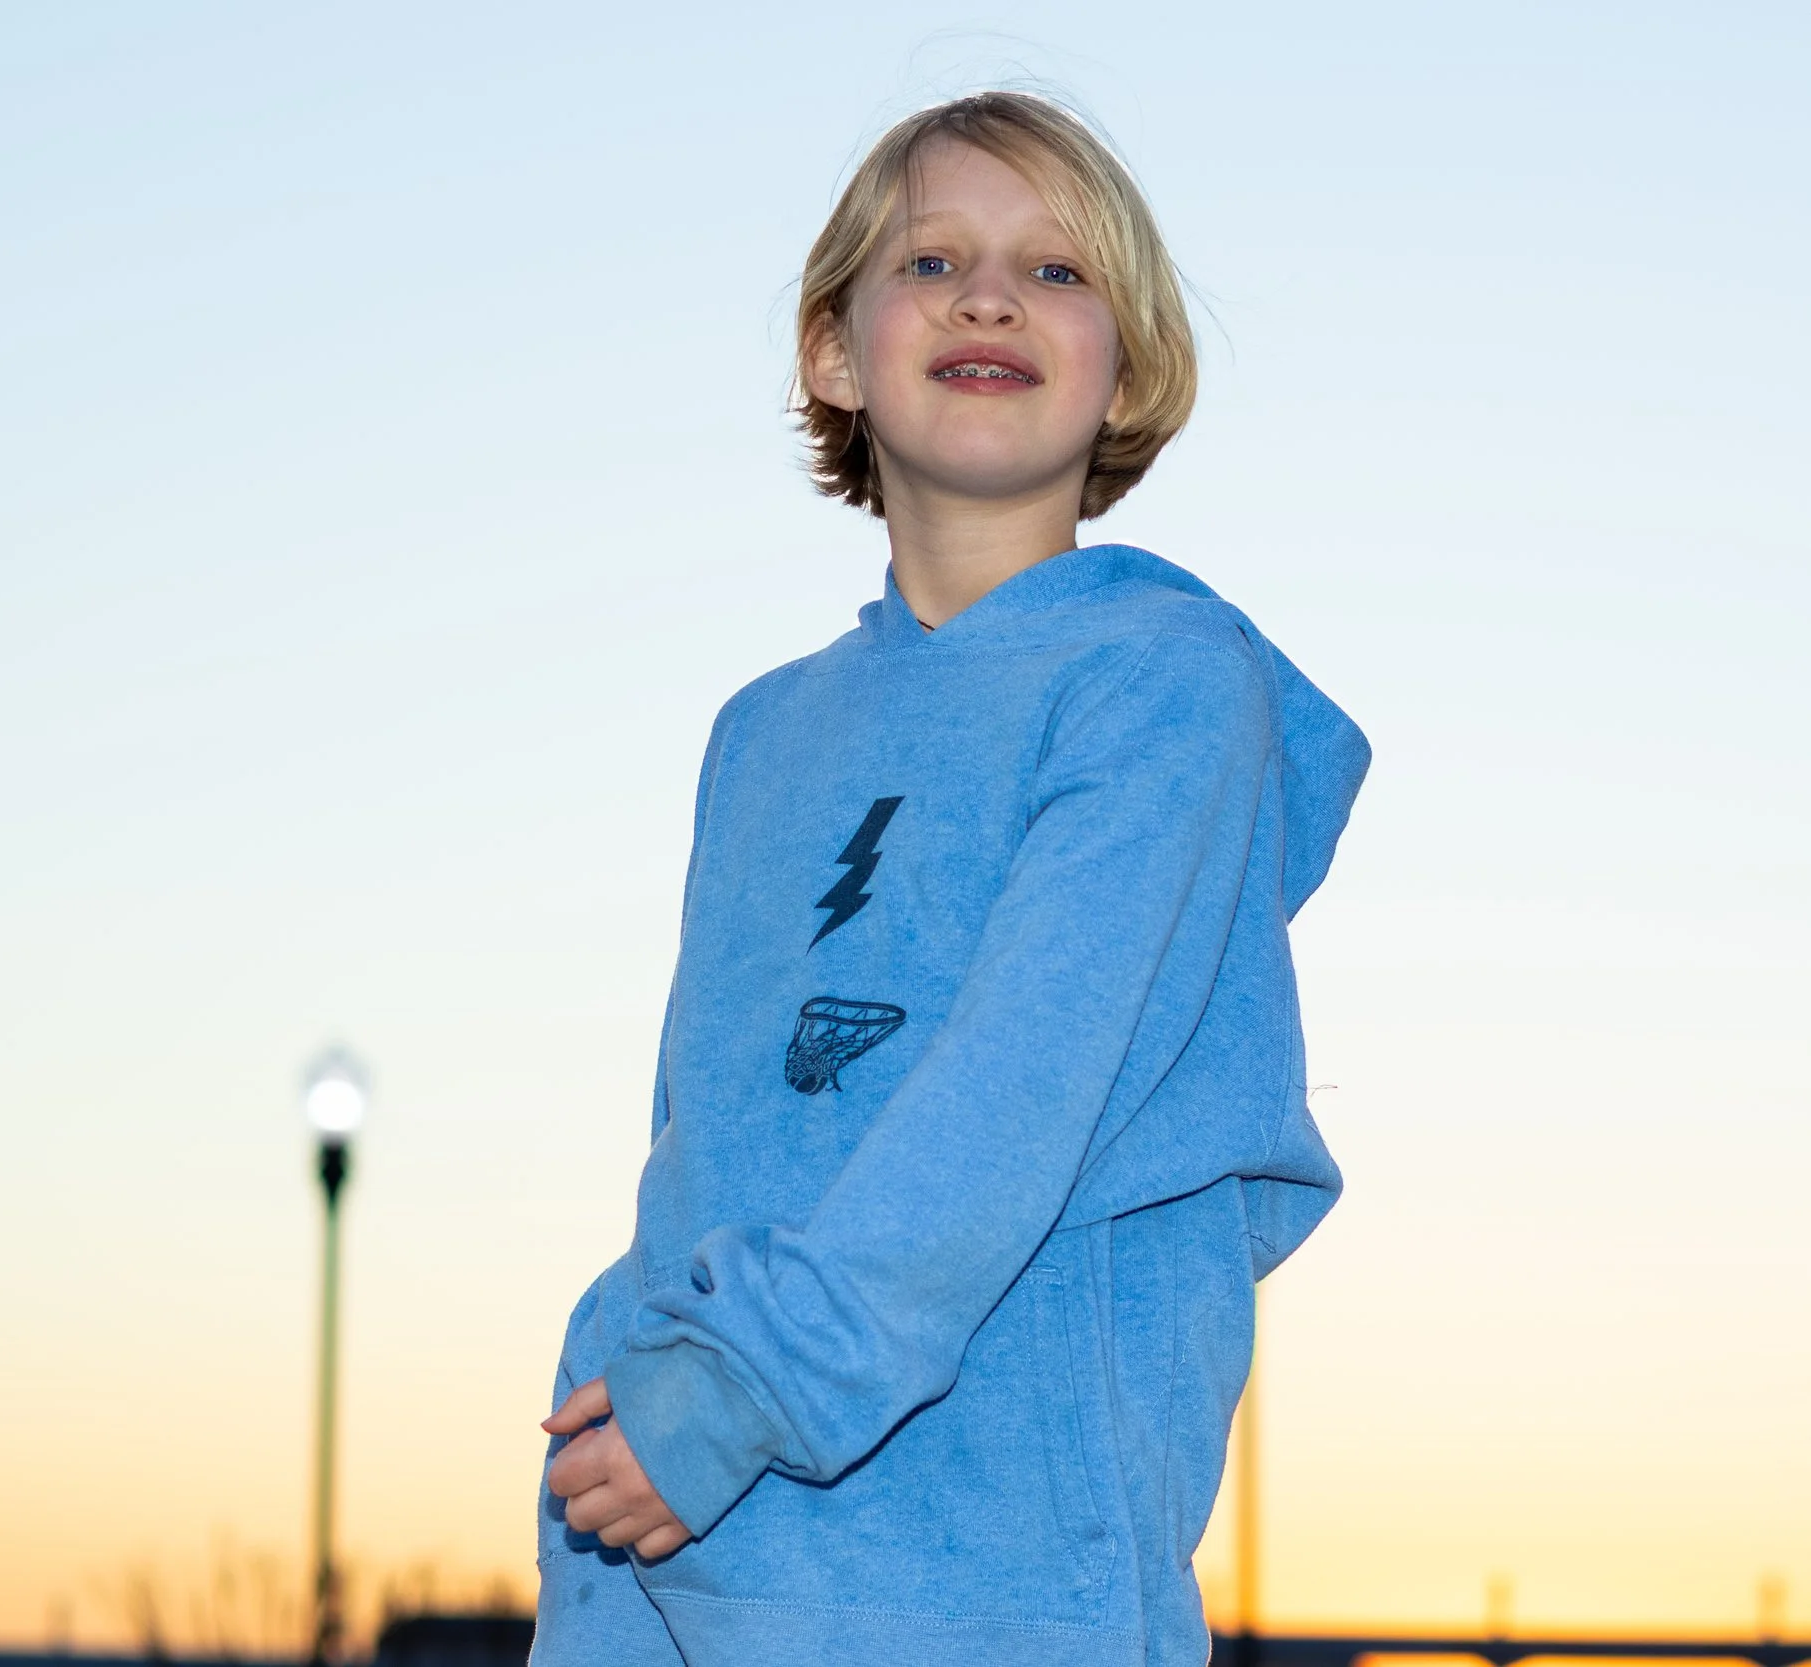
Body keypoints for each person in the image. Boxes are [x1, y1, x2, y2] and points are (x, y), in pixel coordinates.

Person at [530, 91, 1370, 1667]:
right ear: (834, 353)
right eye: (934, 259)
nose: (992, 294)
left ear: (1129, 365)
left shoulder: (1168, 685)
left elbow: (1013, 1099)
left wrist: (737, 1393)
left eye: (1060, 274)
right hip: (688, 1563)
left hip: (998, 1598)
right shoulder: (759, 736)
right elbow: (703, 1145)